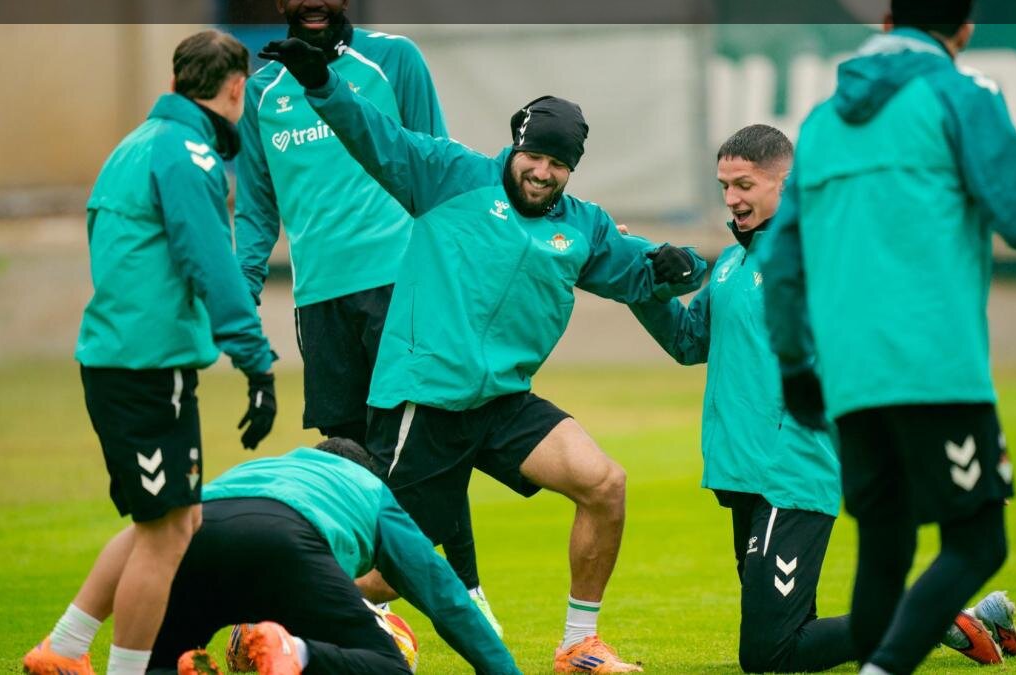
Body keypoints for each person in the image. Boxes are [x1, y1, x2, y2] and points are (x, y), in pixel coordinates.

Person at [256, 37, 707, 673]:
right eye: (534, 155)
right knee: (393, 570)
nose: (543, 172)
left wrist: (681, 266)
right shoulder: (450, 176)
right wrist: (322, 86)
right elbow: (376, 136)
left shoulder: (583, 225)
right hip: (426, 402)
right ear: (515, 147)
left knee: (604, 484)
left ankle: (579, 646)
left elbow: (647, 270)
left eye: (559, 163)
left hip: (502, 402)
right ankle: (267, 623)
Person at [761, 2, 1016, 674]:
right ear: (964, 27)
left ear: (888, 24)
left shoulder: (821, 123)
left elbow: (782, 258)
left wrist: (796, 365)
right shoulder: (961, 96)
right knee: (977, 541)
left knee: (884, 551)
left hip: (851, 380)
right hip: (935, 369)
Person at [628, 124, 1016, 672]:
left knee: (768, 653)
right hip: (740, 473)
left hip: (792, 473)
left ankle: (932, 616)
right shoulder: (730, 265)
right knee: (790, 634)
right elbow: (688, 342)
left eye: (744, 185)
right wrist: (643, 285)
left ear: (786, 184)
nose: (731, 199)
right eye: (724, 186)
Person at [234, 0, 500, 632]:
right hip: (319, 302)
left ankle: (467, 589)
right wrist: (240, 298)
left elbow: (437, 163)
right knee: (349, 457)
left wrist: (464, 268)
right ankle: (367, 605)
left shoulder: (393, 59)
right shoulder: (260, 92)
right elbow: (255, 209)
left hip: (401, 285)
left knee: (424, 441)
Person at [22, 30, 279, 675]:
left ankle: (64, 649)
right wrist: (255, 362)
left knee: (170, 522)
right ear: (237, 89)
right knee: (166, 535)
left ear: (175, 83)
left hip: (123, 361)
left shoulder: (135, 145)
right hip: (145, 370)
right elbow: (211, 264)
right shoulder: (186, 154)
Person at [145, 438, 519, 675]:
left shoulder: (264, 467)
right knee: (389, 666)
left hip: (194, 532)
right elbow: (445, 595)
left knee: (162, 661)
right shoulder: (370, 488)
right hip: (285, 538)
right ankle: (295, 651)